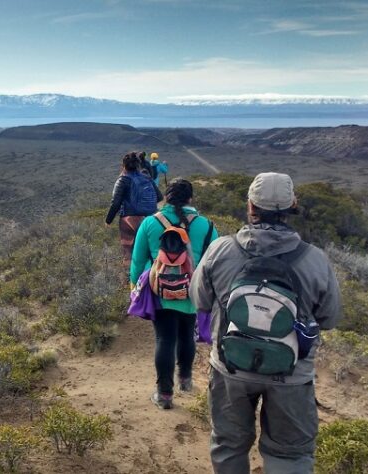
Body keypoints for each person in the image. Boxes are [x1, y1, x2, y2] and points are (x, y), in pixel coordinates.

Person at [190, 172, 342, 473]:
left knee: (229, 445)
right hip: (291, 373)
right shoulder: (315, 260)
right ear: (292, 207)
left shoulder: (220, 249)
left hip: (230, 367)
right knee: (290, 456)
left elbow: (200, 301)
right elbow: (329, 317)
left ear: (250, 206)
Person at [130, 178, 218, 409]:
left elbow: (137, 261)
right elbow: (215, 263)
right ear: (191, 199)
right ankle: (186, 380)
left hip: (160, 292)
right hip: (193, 292)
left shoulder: (150, 222)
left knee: (164, 339)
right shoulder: (207, 226)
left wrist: (135, 289)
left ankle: (165, 395)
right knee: (187, 334)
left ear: (167, 197)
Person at [106, 153, 163, 269]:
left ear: (123, 166)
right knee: (151, 251)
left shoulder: (123, 180)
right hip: (153, 218)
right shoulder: (147, 177)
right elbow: (160, 197)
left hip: (130, 220)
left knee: (130, 253)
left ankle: (132, 279)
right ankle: (151, 278)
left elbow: (115, 202)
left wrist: (108, 220)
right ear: (138, 165)